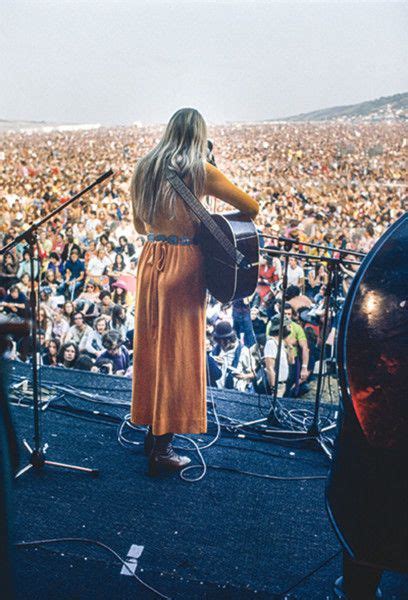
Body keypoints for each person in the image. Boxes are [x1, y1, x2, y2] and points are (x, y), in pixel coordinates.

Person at [130, 107, 259, 475]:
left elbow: (140, 226)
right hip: (184, 262)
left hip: (151, 258)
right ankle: (163, 450)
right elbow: (251, 207)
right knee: (176, 354)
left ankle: (150, 432)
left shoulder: (144, 168)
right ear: (199, 136)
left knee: (152, 349)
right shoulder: (199, 171)